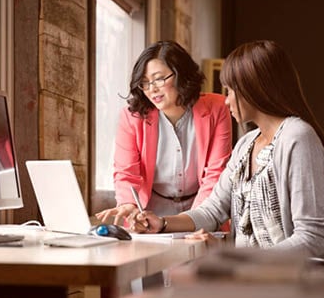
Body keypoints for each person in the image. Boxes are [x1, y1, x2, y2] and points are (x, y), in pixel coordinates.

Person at [132, 40, 324, 257]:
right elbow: (213, 210)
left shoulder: (298, 138)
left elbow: (312, 237)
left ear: (256, 89)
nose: (226, 101)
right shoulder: (246, 144)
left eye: (232, 90)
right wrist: (161, 223)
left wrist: (237, 257)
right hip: (254, 279)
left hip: (298, 282)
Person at [96, 40, 233, 229]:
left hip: (202, 208)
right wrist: (129, 204)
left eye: (159, 79)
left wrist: (194, 220)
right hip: (152, 214)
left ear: (181, 75)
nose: (151, 89)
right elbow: (126, 173)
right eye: (144, 83)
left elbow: (216, 173)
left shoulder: (217, 108)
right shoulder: (132, 117)